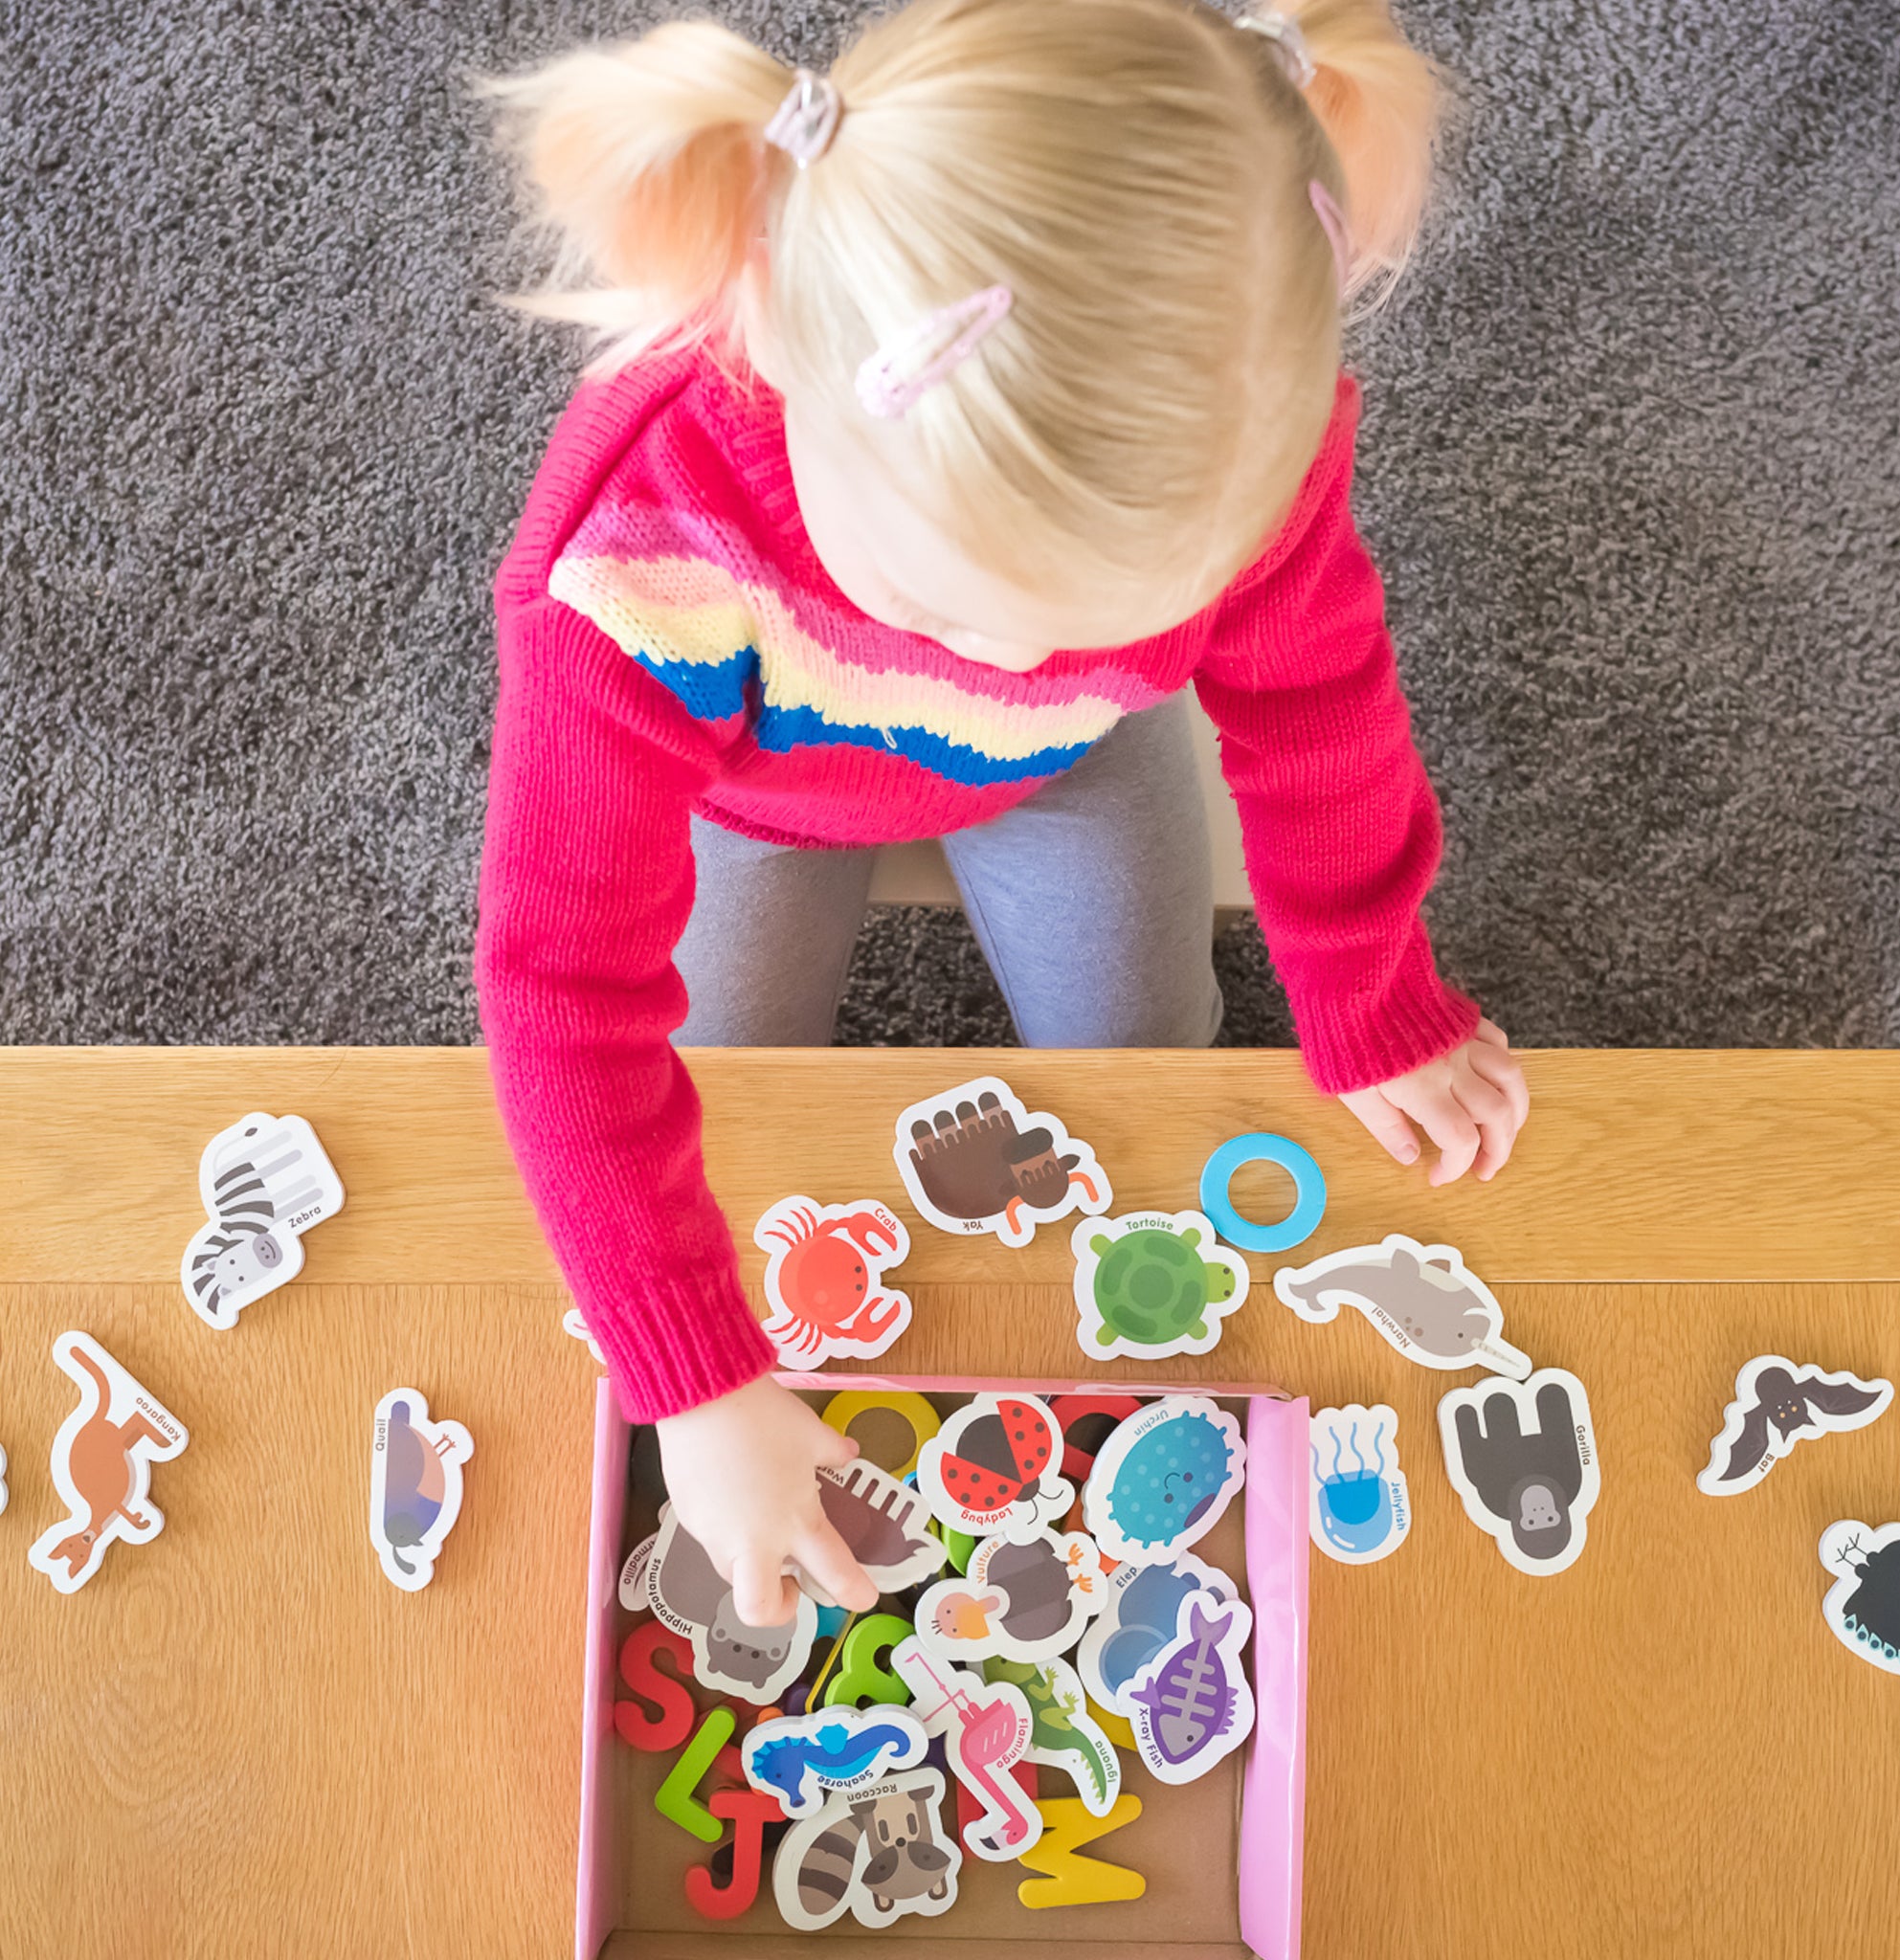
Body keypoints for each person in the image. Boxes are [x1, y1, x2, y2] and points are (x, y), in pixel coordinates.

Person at [477, 0, 1529, 1627]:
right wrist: (691, 1378)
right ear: (774, 328)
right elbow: (561, 992)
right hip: (757, 787)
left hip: (1070, 766)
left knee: (1142, 1065)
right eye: (949, 603)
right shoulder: (635, 569)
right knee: (737, 1104)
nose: (1025, 655)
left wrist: (1371, 995)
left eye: (1105, 621)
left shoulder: (1243, 449)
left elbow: (1319, 714)